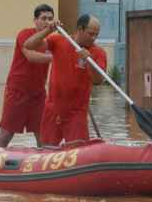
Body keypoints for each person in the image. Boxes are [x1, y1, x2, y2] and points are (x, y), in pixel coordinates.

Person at [24, 14, 107, 146]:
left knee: (78, 152)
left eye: (96, 35)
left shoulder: (98, 53)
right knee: (46, 150)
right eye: (90, 34)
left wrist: (89, 61)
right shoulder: (59, 41)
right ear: (80, 29)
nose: (94, 38)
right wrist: (47, 31)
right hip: (53, 109)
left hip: (76, 113)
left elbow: (98, 81)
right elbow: (29, 45)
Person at [0, 4, 54, 148]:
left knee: (42, 133)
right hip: (17, 91)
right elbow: (30, 56)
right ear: (35, 20)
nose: (47, 22)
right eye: (43, 18)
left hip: (38, 94)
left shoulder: (52, 41)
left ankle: (43, 165)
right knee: (6, 134)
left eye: (50, 19)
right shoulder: (25, 34)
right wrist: (54, 58)